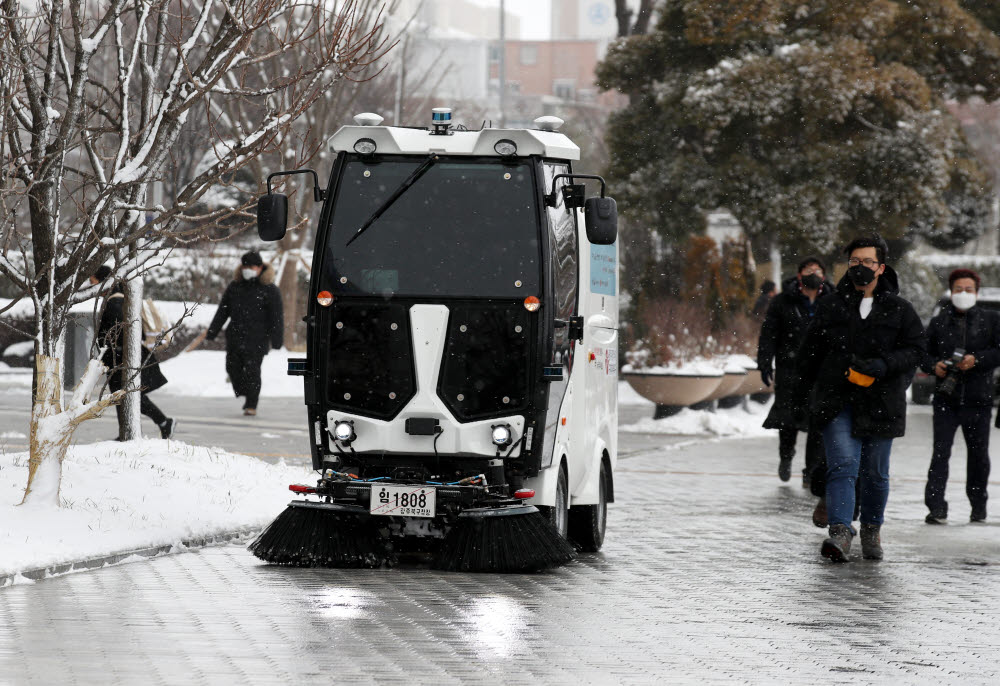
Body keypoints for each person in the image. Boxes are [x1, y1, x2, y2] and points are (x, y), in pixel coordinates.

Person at [797, 235, 925, 562]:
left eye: (868, 262)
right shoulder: (831, 306)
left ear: (881, 267)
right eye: (855, 262)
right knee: (843, 465)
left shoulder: (899, 309)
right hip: (837, 401)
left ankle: (871, 527)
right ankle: (840, 532)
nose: (860, 267)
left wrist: (882, 366)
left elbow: (915, 351)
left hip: (882, 404)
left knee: (875, 473)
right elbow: (808, 354)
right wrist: (807, 391)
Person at [921, 269, 998, 524]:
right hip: (946, 398)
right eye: (958, 289)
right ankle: (936, 506)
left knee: (979, 456)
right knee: (940, 453)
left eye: (968, 289)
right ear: (950, 291)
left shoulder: (991, 319)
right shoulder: (939, 321)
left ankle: (978, 506)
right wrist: (935, 366)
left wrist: (977, 360)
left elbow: (998, 352)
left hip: (979, 399)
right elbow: (923, 353)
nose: (963, 294)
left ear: (976, 291)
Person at [757, 258, 833, 485]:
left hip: (820, 370)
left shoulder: (832, 300)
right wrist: (764, 361)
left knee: (817, 423)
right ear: (799, 275)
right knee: (788, 419)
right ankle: (786, 456)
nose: (814, 274)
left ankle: (811, 469)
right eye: (809, 270)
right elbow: (769, 333)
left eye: (818, 271)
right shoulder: (783, 301)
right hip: (790, 368)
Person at [94, 269, 175, 440]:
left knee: (126, 395)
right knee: (125, 395)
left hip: (122, 358)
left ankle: (159, 423)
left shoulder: (115, 302)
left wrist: (110, 347)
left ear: (103, 281)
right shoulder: (121, 298)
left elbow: (125, 331)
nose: (92, 286)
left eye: (93, 281)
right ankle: (156, 424)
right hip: (122, 357)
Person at [206, 251, 284, 416]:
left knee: (252, 371)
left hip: (257, 339)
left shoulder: (269, 289)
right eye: (245, 266)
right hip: (235, 336)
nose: (248, 269)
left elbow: (276, 317)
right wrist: (212, 331)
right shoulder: (235, 287)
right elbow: (223, 310)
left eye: (252, 267)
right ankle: (244, 392)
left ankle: (251, 404)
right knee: (232, 368)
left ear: (260, 267)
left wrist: (277, 340)